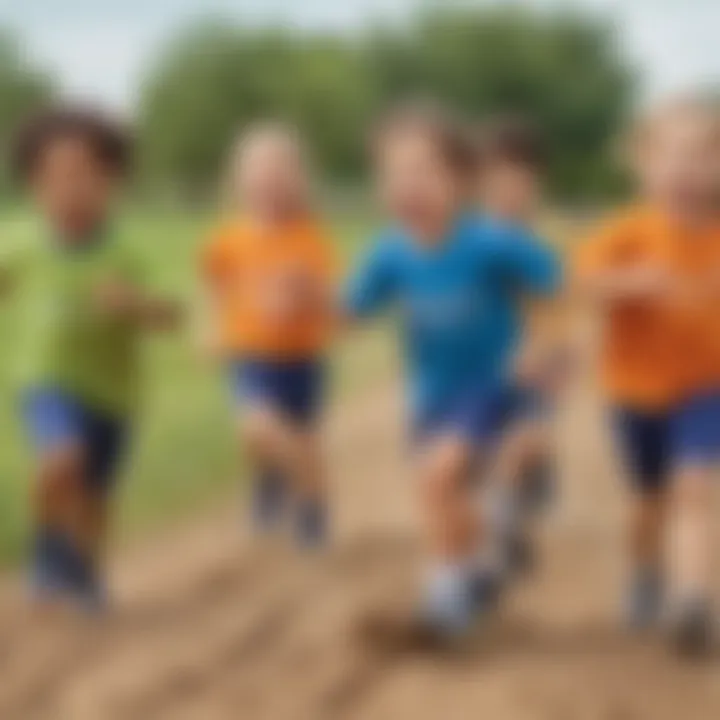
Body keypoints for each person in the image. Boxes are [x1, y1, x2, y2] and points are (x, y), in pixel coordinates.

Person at [345, 103, 560, 643]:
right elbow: (349, 313)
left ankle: (445, 599)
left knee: (441, 474)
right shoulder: (387, 253)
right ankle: (481, 567)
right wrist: (303, 307)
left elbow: (559, 288)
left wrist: (541, 345)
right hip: (432, 395)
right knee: (438, 493)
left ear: (461, 181)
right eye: (393, 174)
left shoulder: (491, 241)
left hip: (492, 386)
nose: (407, 186)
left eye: (423, 172)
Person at [3, 108, 180, 612]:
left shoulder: (127, 252)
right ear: (34, 185)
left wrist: (136, 305)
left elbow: (171, 315)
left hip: (114, 395)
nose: (71, 190)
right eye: (55, 177)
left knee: (95, 497)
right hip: (44, 382)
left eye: (85, 176)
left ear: (112, 182)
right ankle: (45, 551)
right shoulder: (20, 244)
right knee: (62, 459)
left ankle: (84, 575)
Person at [576, 93, 720, 656]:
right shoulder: (625, 232)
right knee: (648, 502)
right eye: (671, 157)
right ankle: (644, 572)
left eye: (701, 157)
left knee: (695, 487)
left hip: (704, 390)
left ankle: (691, 599)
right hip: (634, 392)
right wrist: (631, 283)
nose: (685, 170)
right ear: (643, 164)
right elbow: (580, 286)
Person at [200, 122, 337, 549]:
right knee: (257, 431)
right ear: (239, 179)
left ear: (298, 180)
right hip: (252, 355)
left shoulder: (310, 237)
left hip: (302, 358)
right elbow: (214, 286)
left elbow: (331, 296)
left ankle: (311, 504)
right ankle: (275, 482)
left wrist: (305, 292)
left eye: (280, 171)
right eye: (258, 170)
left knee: (302, 439)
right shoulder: (227, 238)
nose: (269, 180)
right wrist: (212, 328)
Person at [477, 116, 570, 577]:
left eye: (520, 182)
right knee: (488, 459)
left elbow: (560, 311)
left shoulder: (546, 243)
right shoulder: (467, 240)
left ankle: (504, 528)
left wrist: (550, 355)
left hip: (533, 366)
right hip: (476, 372)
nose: (510, 193)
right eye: (499, 183)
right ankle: (506, 532)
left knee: (523, 445)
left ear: (536, 184)